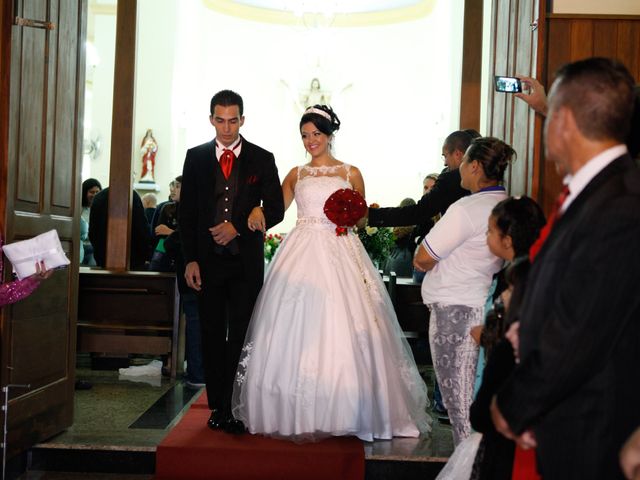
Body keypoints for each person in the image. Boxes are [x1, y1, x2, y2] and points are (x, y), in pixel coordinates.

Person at [231, 105, 430, 442]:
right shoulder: (297, 174)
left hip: (340, 247)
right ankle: (287, 409)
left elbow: (362, 218)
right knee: (293, 322)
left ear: (329, 134)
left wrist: (353, 215)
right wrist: (256, 210)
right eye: (305, 135)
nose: (311, 141)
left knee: (346, 320)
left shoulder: (351, 173)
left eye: (316, 134)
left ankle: (349, 406)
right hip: (301, 250)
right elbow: (276, 212)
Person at [490, 57, 640, 480]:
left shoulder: (619, 205)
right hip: (565, 412)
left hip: (591, 424)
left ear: (565, 121)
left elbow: (580, 327)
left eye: (549, 113)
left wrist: (514, 403)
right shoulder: (595, 190)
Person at [179, 90, 285, 434]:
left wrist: (240, 225)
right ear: (211, 119)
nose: (227, 128)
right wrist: (190, 260)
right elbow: (187, 214)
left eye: (233, 120)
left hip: (245, 264)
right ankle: (218, 407)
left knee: (242, 333)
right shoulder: (195, 158)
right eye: (220, 120)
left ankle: (238, 404)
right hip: (207, 263)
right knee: (210, 334)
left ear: (243, 119)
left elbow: (277, 209)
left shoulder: (261, 158)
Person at [413, 136, 515, 446]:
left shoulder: (466, 208)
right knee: (479, 397)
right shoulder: (508, 203)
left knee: (460, 406)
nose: (458, 170)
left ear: (473, 166)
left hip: (455, 311)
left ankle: (468, 466)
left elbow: (423, 258)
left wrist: (423, 252)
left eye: (463, 164)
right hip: (488, 309)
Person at [89, 187, 153, 270]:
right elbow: (142, 229)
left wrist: (99, 252)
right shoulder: (132, 195)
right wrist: (146, 254)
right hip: (132, 259)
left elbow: (93, 232)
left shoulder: (99, 197)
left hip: (103, 257)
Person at [81, 178, 102, 266]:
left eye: (97, 192)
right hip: (80, 246)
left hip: (95, 248)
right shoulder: (79, 209)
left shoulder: (103, 210)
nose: (95, 195)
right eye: (91, 192)